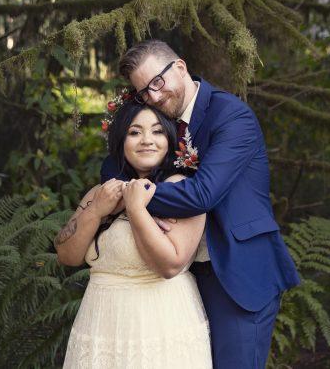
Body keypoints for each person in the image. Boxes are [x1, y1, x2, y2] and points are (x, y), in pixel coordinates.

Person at [100, 39, 301, 368]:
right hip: (184, 281)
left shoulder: (232, 118)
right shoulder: (161, 119)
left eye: (157, 82)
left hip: (237, 273)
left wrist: (131, 196)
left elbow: (202, 195)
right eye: (142, 93)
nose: (152, 96)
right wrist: (127, 186)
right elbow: (115, 164)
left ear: (180, 67)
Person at [56, 98, 212, 368]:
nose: (146, 140)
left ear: (171, 138)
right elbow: (67, 255)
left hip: (159, 325)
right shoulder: (101, 193)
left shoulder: (184, 191)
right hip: (100, 323)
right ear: (121, 141)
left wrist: (137, 208)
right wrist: (95, 211)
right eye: (134, 132)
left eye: (157, 131)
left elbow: (170, 265)